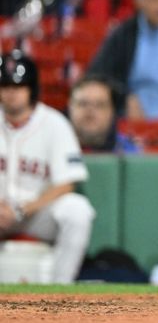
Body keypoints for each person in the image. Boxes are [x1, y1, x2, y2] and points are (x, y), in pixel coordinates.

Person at [0, 51, 95, 283]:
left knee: (78, 211)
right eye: (6, 86)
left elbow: (67, 184)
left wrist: (24, 209)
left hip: (36, 213)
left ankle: (60, 289)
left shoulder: (54, 123)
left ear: (31, 89)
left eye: (19, 86)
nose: (12, 93)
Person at [68, 75, 139, 154]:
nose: (90, 110)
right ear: (70, 108)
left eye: (99, 105)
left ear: (112, 112)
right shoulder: (53, 145)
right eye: (83, 103)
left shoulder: (130, 152)